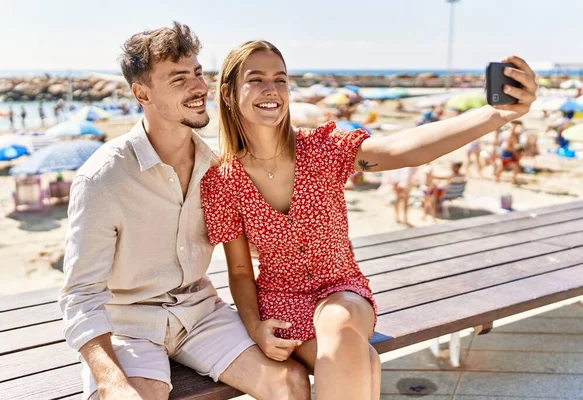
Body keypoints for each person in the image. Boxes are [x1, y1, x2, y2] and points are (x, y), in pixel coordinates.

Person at [200, 39, 536, 400]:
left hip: (342, 293)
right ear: (228, 92)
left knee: (340, 325)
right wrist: (255, 328)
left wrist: (495, 115)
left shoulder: (323, 149)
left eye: (280, 79)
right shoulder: (222, 181)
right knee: (365, 363)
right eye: (257, 79)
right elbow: (238, 271)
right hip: (278, 303)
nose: (272, 89)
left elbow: (403, 148)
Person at [58, 23, 309, 400]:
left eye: (197, 74)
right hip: (128, 323)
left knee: (290, 382)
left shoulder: (218, 167)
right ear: (142, 93)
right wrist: (111, 380)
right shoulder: (102, 179)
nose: (198, 88)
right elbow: (80, 296)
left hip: (200, 311)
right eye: (179, 79)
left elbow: (251, 249)